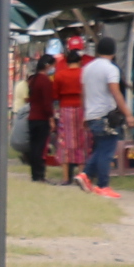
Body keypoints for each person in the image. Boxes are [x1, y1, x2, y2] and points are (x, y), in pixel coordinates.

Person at [79, 37, 124, 193]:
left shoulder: (87, 68)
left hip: (92, 115)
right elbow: (115, 92)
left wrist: (85, 114)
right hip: (106, 115)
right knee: (107, 150)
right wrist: (127, 113)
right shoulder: (111, 69)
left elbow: (83, 94)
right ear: (113, 51)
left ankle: (86, 175)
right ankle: (103, 185)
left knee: (101, 148)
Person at [50, 42, 89, 180]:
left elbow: (55, 96)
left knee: (65, 142)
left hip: (65, 109)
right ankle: (81, 176)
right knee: (82, 140)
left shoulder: (60, 75)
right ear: (80, 61)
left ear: (66, 62)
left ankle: (66, 177)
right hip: (82, 109)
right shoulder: (85, 73)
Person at [22, 53, 57, 184]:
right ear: (48, 66)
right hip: (42, 118)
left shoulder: (33, 80)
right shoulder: (45, 81)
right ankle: (39, 174)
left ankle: (34, 174)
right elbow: (47, 103)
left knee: (34, 147)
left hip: (32, 117)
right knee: (40, 147)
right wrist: (51, 118)